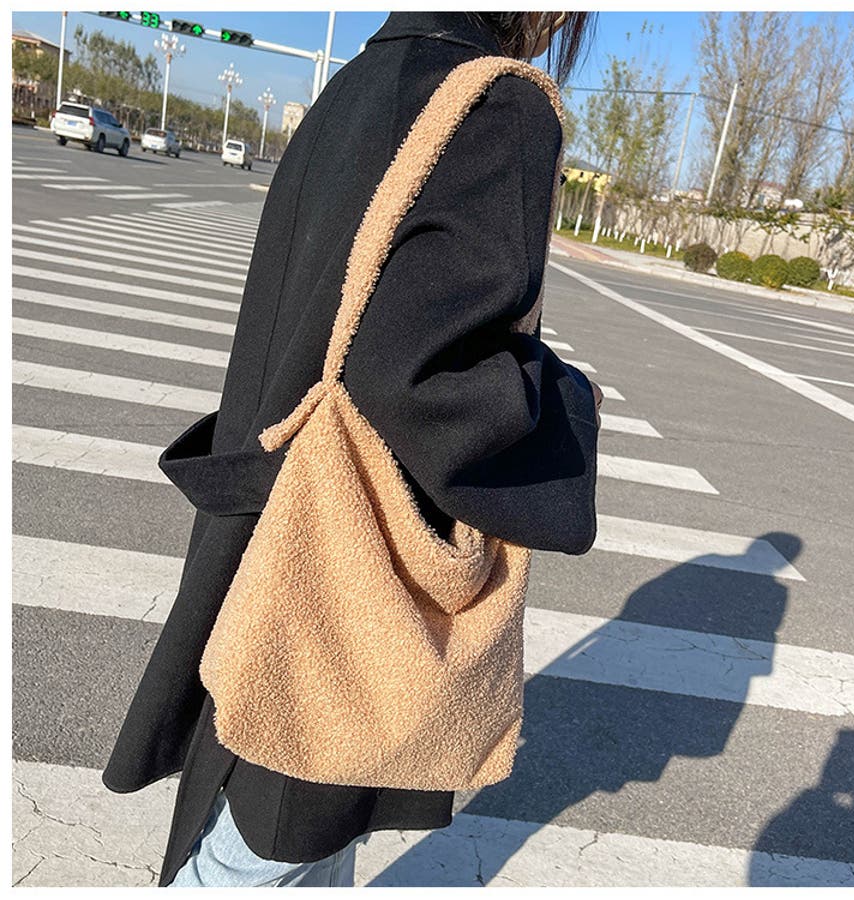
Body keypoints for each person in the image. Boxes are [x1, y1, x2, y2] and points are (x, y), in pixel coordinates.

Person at [100, 10, 601, 888]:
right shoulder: (497, 107)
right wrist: (567, 403)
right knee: (261, 855)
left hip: (268, 543)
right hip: (346, 582)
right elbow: (415, 377)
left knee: (263, 832)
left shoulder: (359, 82)